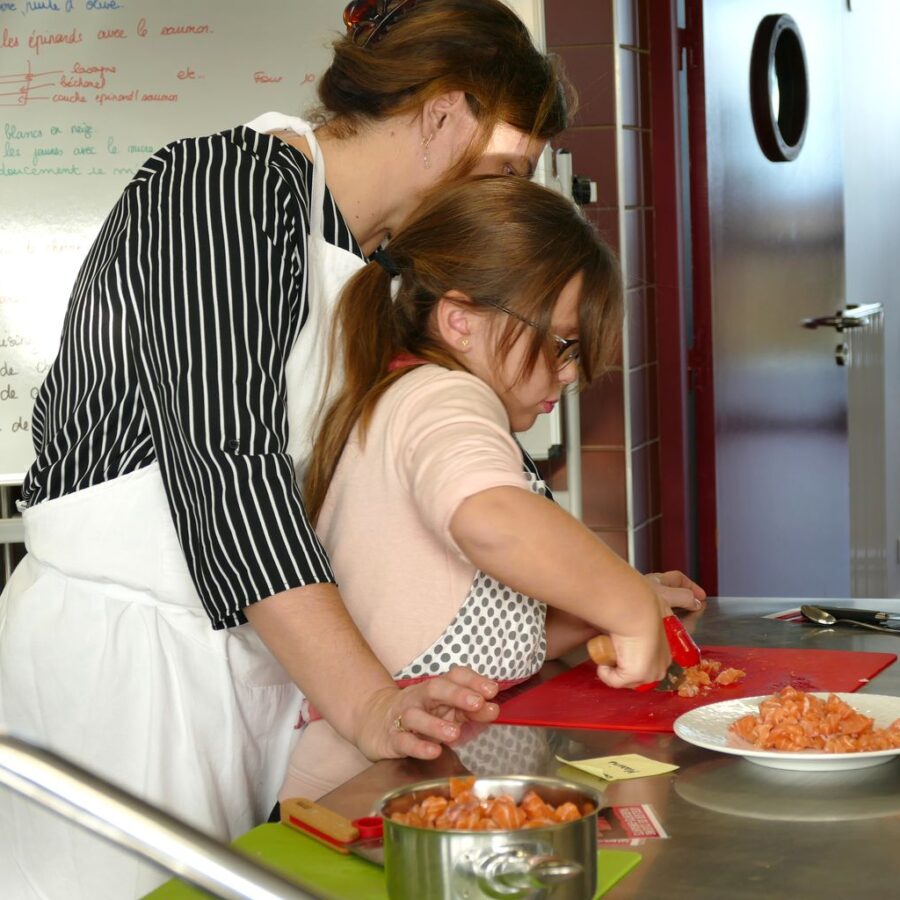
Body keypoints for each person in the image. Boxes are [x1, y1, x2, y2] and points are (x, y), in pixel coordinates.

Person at [0, 2, 586, 897]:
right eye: (504, 164)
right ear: (442, 113)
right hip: (125, 667)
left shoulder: (366, 255)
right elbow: (228, 469)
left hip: (250, 664)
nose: (499, 197)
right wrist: (370, 703)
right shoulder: (220, 189)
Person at [278, 175, 705, 802]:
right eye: (562, 346)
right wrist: (626, 606)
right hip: (365, 791)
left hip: (428, 772)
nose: (569, 376)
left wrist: (614, 600)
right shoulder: (442, 396)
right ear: (460, 321)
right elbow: (491, 519)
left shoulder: (420, 396)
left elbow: (493, 628)